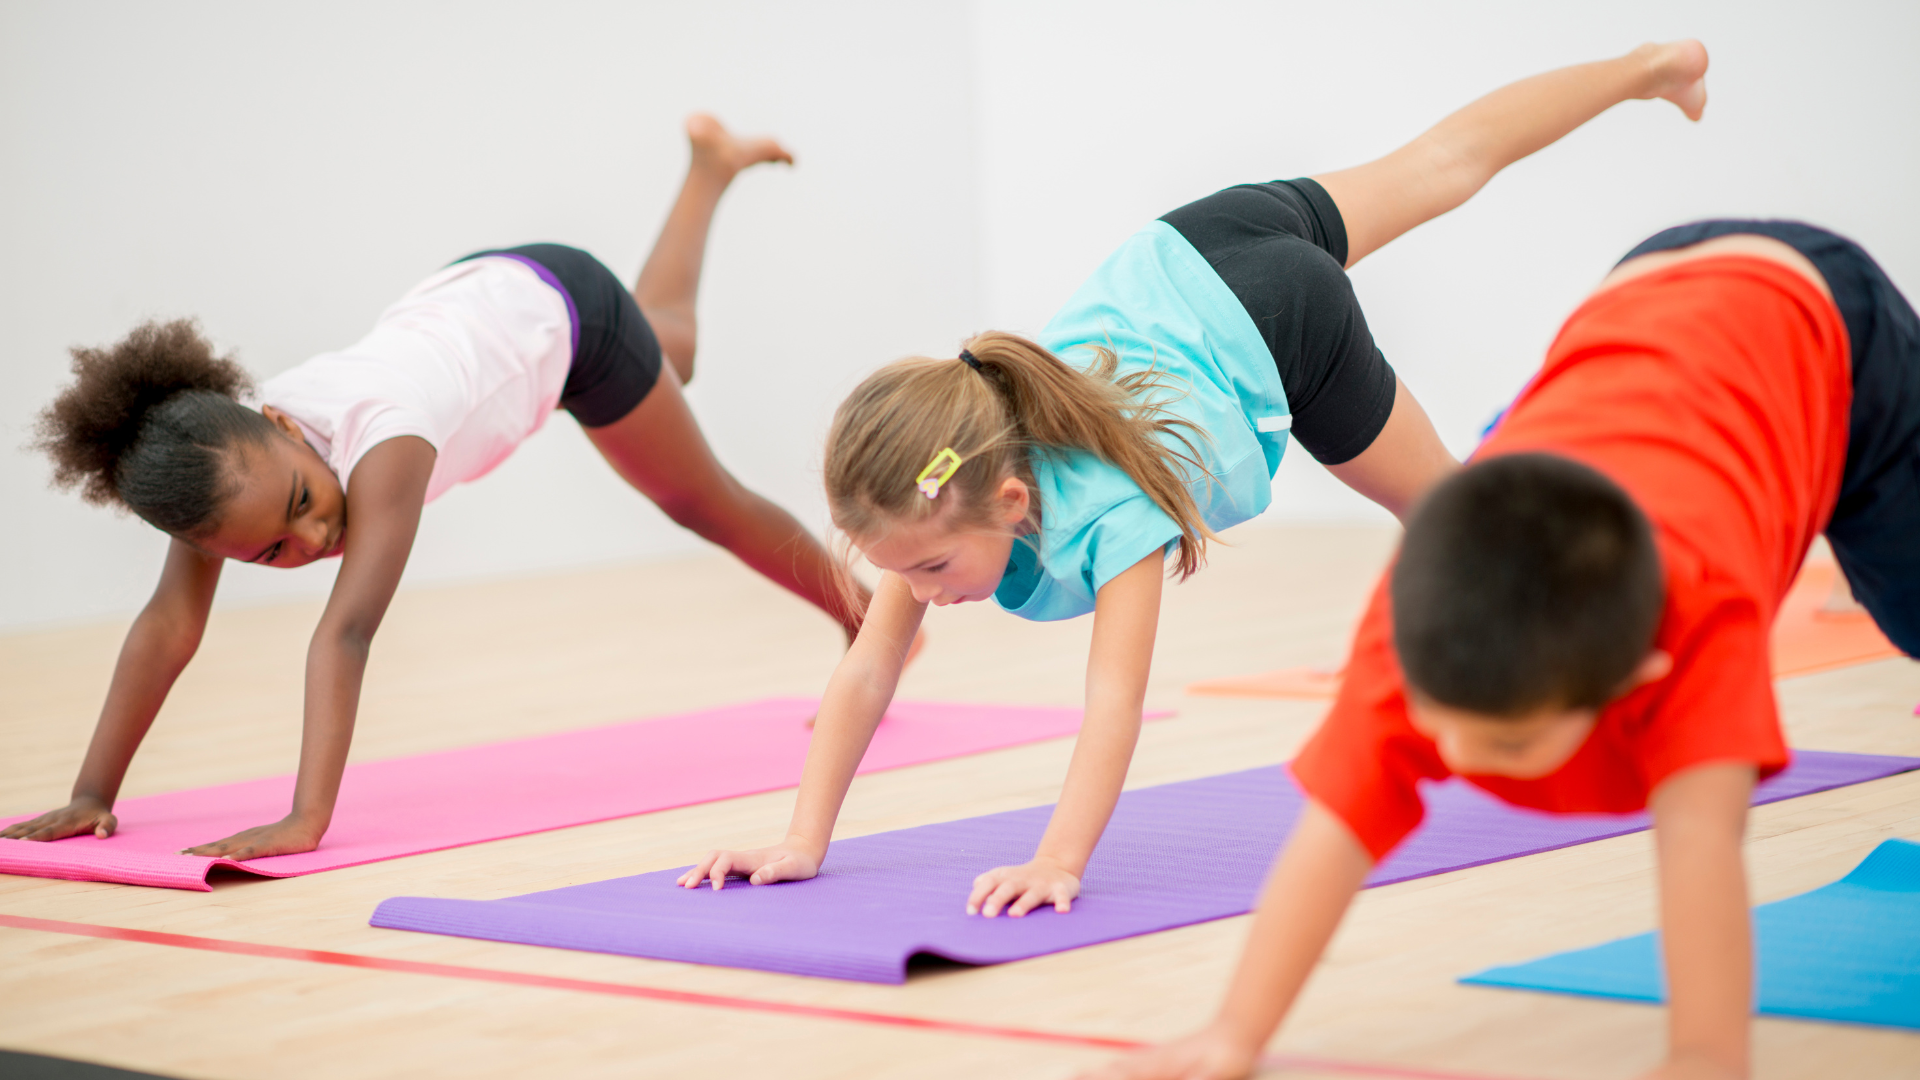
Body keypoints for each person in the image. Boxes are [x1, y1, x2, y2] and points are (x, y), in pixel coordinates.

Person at [676, 43, 1715, 918]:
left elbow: (1114, 703)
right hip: (1189, 248)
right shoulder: (940, 490)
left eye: (935, 569)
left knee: (1452, 516)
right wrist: (801, 838)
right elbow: (866, 671)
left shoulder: (1105, 511)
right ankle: (1650, 68)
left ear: (1009, 500)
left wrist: (1060, 861)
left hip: (1279, 319)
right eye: (904, 572)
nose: (925, 592)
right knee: (1442, 162)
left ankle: (1542, 445)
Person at [1083, 219, 1918, 1080]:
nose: (1456, 761)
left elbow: (1701, 840)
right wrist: (1233, 1034)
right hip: (1644, 292)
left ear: (1641, 675)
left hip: (1822, 322)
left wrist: (1705, 1055)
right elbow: (1334, 829)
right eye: (1437, 726)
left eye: (1509, 741)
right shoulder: (1427, 615)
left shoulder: (1703, 622)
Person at [5, 116, 866, 861]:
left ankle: (866, 619)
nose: (310, 540)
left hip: (566, 316)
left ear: (283, 422)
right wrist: (93, 792)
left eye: (303, 504)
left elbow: (345, 634)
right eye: (271, 551)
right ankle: (710, 168)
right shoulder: (220, 474)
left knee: (699, 498)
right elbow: (168, 624)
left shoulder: (387, 444)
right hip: (479, 295)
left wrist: (307, 818)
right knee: (672, 346)